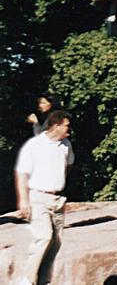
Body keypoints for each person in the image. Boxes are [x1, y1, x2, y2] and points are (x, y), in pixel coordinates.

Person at [13, 110, 73, 285]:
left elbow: (69, 165)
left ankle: (43, 281)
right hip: (38, 197)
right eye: (67, 125)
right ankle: (26, 280)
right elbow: (21, 172)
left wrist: (57, 182)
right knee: (44, 237)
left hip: (57, 199)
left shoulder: (66, 144)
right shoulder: (35, 145)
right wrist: (23, 200)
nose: (69, 129)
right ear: (56, 125)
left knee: (55, 243)